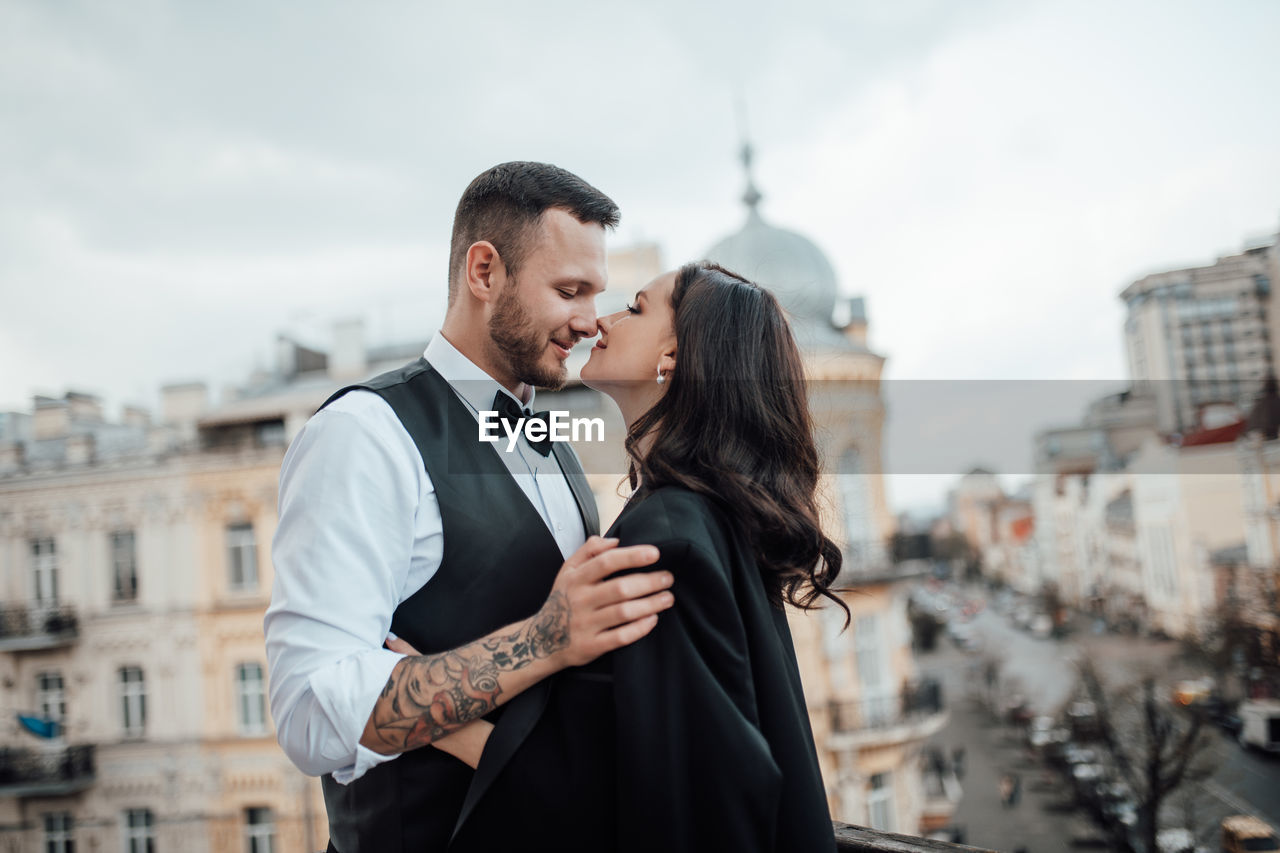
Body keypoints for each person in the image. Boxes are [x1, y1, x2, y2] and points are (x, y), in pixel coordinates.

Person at [264, 161, 679, 852]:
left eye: (596, 293)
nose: (588, 320)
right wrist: (544, 638)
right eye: (569, 290)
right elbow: (309, 709)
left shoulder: (554, 444)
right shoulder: (365, 433)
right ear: (483, 272)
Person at [411, 262, 847, 852]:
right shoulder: (708, 511)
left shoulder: (668, 533)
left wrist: (441, 718)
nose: (600, 322)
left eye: (635, 308)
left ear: (672, 357)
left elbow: (645, 795)